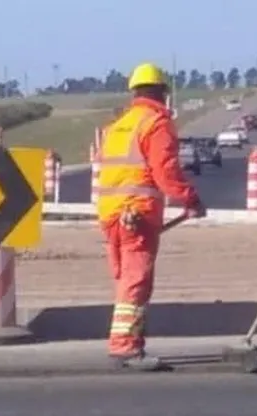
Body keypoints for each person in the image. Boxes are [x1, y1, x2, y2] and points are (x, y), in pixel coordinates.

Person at [96, 62, 207, 371]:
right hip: (137, 213)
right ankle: (125, 347)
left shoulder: (119, 125)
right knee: (136, 279)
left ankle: (126, 341)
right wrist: (191, 198)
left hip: (111, 213)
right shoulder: (155, 123)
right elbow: (166, 171)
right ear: (162, 93)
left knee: (125, 279)